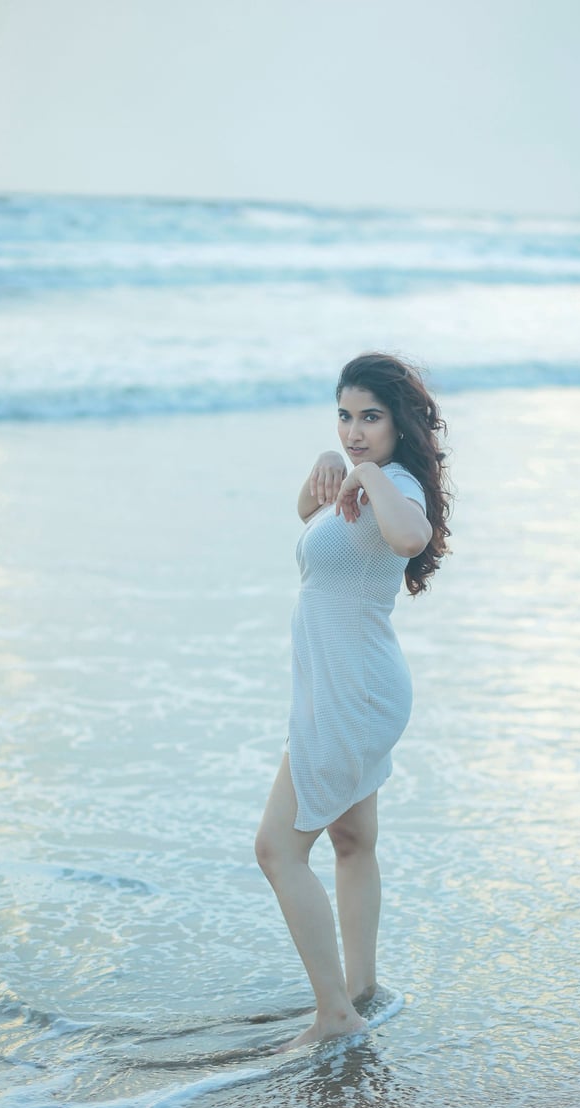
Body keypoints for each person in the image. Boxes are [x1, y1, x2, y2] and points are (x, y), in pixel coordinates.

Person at [255, 352, 451, 1050]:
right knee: (352, 840)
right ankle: (360, 988)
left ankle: (335, 1013)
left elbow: (410, 537)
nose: (354, 430)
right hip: (343, 686)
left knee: (277, 849)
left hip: (352, 692)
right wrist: (329, 463)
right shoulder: (364, 476)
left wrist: (365, 472)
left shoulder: (398, 485)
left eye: (370, 417)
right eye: (344, 416)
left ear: (400, 422)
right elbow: (311, 516)